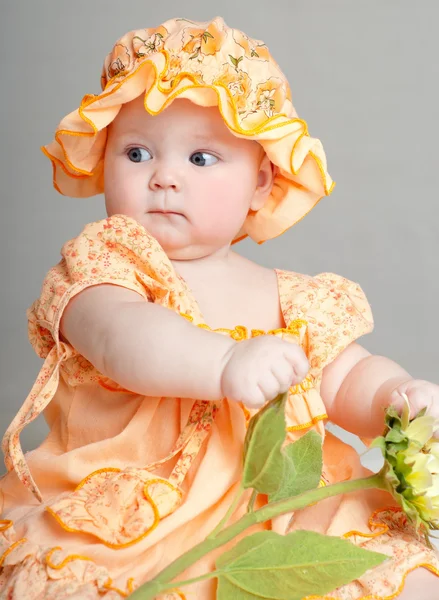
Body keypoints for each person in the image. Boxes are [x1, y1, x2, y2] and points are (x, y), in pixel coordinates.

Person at [0, 16, 438, 599]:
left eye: (201, 159)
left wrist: (396, 398)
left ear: (260, 183)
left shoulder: (289, 298)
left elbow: (345, 373)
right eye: (136, 152)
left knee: (396, 578)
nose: (164, 178)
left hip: (282, 509)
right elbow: (122, 339)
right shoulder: (105, 269)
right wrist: (225, 362)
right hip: (140, 510)